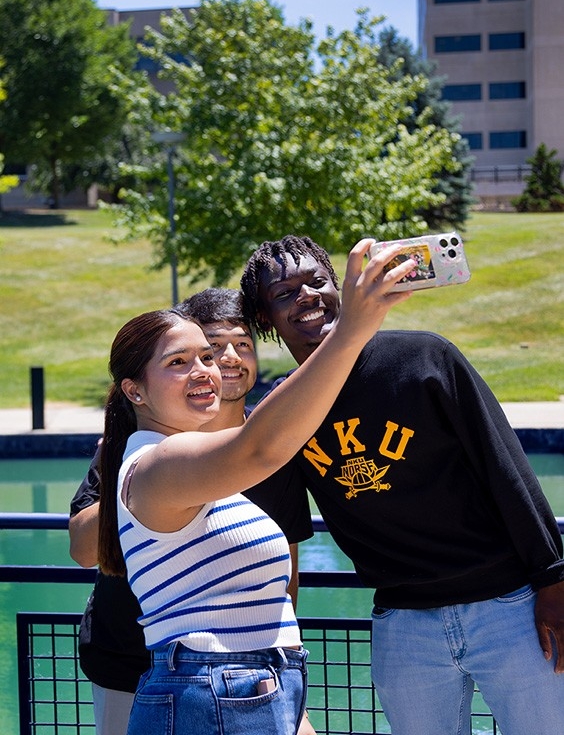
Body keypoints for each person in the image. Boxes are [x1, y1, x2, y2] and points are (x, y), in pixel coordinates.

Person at [240, 234, 564, 735]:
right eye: (284, 293)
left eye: (316, 281)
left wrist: (555, 581)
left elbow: (507, 468)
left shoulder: (424, 358)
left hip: (508, 608)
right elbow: (282, 534)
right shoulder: (283, 412)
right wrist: (278, 643)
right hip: (404, 623)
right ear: (265, 319)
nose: (304, 296)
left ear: (341, 287)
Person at [95, 240, 414, 735]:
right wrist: (350, 330)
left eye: (205, 357)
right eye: (178, 363)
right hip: (211, 690)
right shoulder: (156, 462)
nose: (204, 370)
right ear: (135, 391)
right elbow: (260, 448)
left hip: (255, 687)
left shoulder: (194, 466)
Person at [69, 288, 312, 735]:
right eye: (207, 349)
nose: (224, 361)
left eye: (240, 346)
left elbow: (285, 576)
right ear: (135, 390)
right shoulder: (140, 455)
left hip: (253, 676)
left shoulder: (274, 457)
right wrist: (149, 482)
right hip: (139, 660)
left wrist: (276, 672)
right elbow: (85, 549)